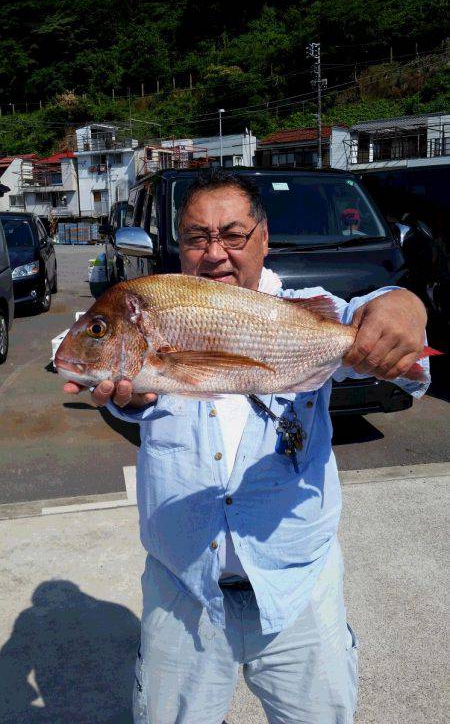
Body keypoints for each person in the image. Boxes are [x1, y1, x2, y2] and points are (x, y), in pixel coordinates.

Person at [65, 170, 429, 724]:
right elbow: (129, 393)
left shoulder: (302, 308)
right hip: (182, 584)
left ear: (263, 238)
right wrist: (129, 399)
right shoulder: (159, 307)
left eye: (233, 235)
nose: (215, 254)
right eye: (196, 238)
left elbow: (379, 321)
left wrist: (405, 305)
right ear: (178, 244)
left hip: (297, 584)